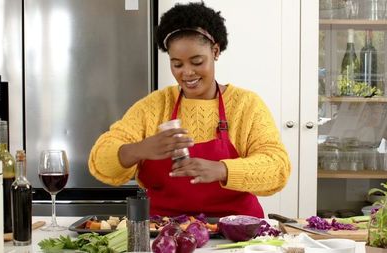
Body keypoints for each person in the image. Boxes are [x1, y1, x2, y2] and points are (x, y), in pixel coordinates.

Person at [88, 2, 291, 218]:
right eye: (177, 64)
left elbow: (277, 168)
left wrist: (223, 170)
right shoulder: (154, 106)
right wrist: (139, 149)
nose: (187, 73)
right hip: (164, 232)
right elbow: (100, 160)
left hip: (235, 232)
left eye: (196, 61)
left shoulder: (246, 105)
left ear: (215, 51)